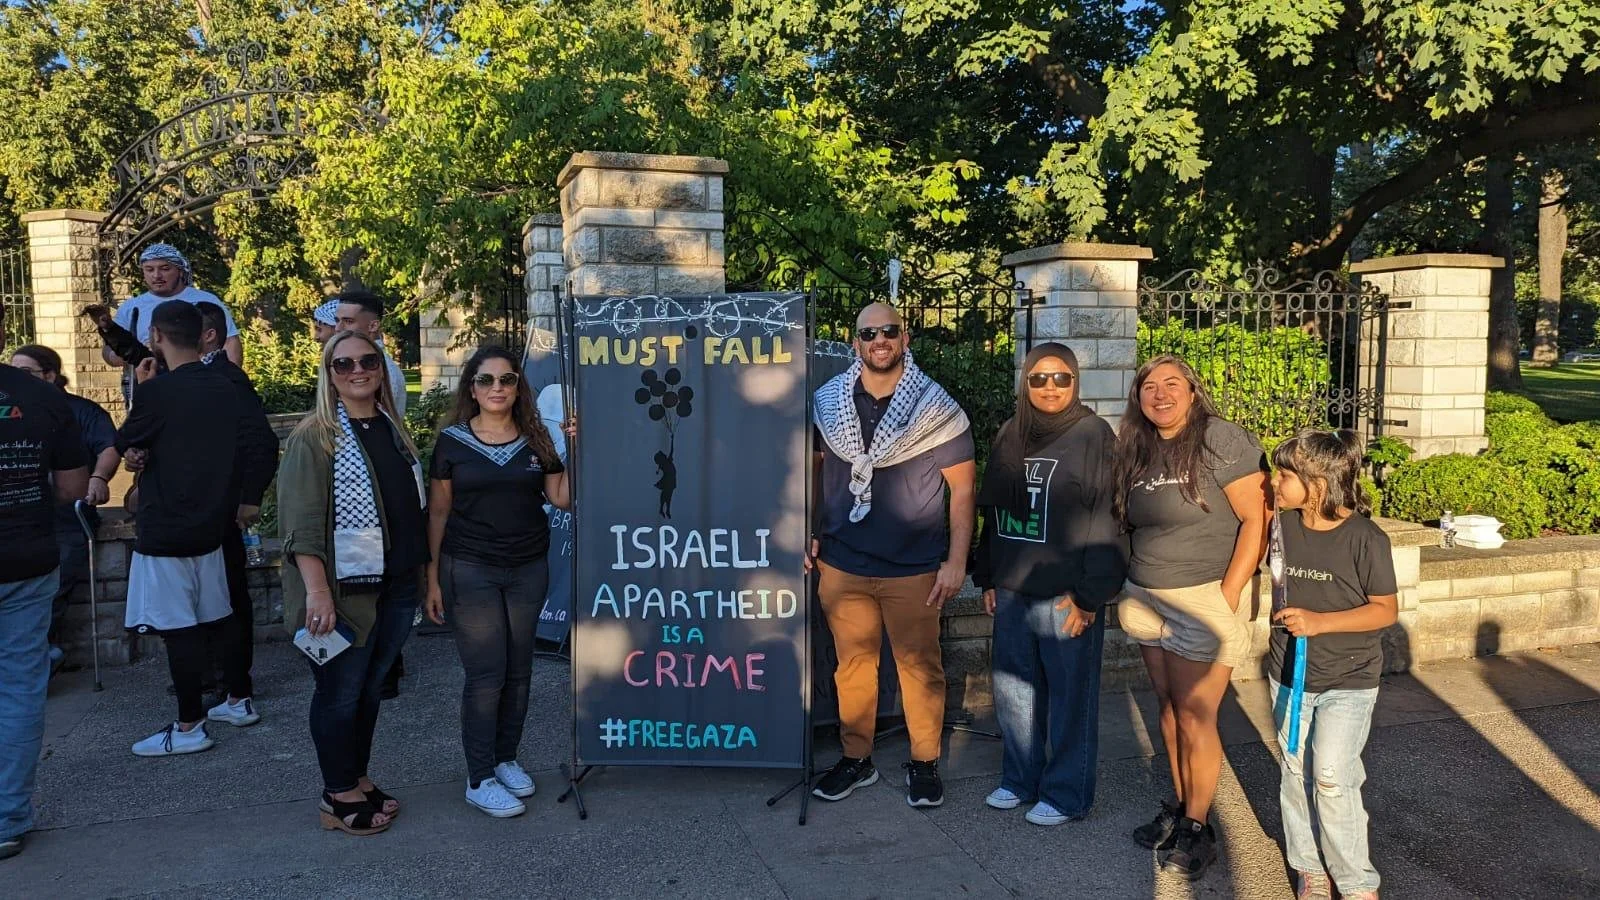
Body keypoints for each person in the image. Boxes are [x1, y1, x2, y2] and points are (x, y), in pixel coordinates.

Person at [808, 301, 976, 808]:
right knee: (851, 667)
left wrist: (956, 561)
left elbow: (964, 493)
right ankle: (856, 759)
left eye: (889, 331)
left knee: (920, 668)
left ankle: (924, 762)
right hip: (843, 562)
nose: (879, 340)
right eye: (869, 333)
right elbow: (813, 473)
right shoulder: (828, 402)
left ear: (906, 339)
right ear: (854, 342)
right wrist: (808, 530)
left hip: (914, 568)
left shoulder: (936, 409)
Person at [1112, 354, 1269, 879]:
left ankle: (1199, 829)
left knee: (1196, 713)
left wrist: (1227, 596)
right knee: (1169, 706)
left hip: (1201, 596)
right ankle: (1183, 808)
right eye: (1149, 387)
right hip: (1146, 595)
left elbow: (1256, 519)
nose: (1160, 394)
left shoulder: (1220, 439)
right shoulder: (1135, 446)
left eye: (1172, 384)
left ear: (1193, 392)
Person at [278, 330, 426, 836]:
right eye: (344, 364)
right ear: (329, 374)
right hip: (344, 592)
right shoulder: (315, 436)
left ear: (382, 367)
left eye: (368, 360)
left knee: (367, 690)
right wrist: (317, 592)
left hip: (397, 583)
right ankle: (336, 794)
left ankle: (356, 777)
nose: (358, 370)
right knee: (340, 692)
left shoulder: (390, 426)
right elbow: (298, 525)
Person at [972, 343, 1126, 826]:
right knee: (1015, 692)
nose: (1050, 387)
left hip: (1067, 593)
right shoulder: (1010, 433)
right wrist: (988, 575)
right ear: (1026, 384)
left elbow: (1109, 519)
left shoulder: (1094, 436)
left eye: (1061, 378)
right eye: (1039, 378)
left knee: (1069, 696)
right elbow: (993, 512)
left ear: (1075, 382)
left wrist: (1089, 596)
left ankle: (1066, 794)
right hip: (1015, 586)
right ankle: (1020, 779)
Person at [423, 347, 572, 818]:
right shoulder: (451, 442)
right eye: (486, 380)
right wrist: (432, 578)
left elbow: (562, 499)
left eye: (506, 380)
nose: (497, 388)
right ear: (472, 388)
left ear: (517, 387)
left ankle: (506, 758)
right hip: (470, 567)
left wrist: (577, 449)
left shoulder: (538, 439)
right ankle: (479, 776)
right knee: (486, 674)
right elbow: (439, 512)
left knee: (519, 670)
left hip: (528, 566)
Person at [115, 301, 247, 757]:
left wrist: (143, 390)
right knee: (217, 615)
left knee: (179, 629)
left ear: (156, 336)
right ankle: (235, 697)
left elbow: (127, 437)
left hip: (167, 524)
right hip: (211, 521)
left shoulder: (160, 391)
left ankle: (189, 724)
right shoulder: (226, 385)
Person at [1268, 430, 1396, 900]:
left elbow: (1385, 609)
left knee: (1333, 776)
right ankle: (1309, 867)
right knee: (1293, 771)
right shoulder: (1280, 526)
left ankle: (1357, 882)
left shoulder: (1365, 537)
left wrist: (1321, 622)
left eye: (1285, 475)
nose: (1275, 482)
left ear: (1318, 482)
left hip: (1349, 678)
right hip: (1290, 674)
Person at [0, 361, 88, 861]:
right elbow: (73, 488)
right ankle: (6, 819)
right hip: (26, 560)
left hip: (27, 563)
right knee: (18, 689)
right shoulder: (41, 397)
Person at [8, 346, 121, 671]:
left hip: (66, 518)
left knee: (52, 590)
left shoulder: (78, 411)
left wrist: (98, 478)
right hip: (22, 517)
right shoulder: (12, 408)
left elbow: (109, 445)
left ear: (50, 376)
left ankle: (38, 658)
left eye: (25, 372)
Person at [196, 302, 280, 726]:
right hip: (200, 507)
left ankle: (234, 687)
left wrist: (250, 497)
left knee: (227, 596)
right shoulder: (179, 378)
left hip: (221, 508)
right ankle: (219, 681)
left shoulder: (225, 377)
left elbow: (260, 443)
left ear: (208, 335)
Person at [102, 244, 241, 402]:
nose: (157, 275)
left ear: (180, 270)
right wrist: (126, 355)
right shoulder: (130, 308)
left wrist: (231, 383)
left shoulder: (206, 300)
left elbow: (230, 341)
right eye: (149, 269)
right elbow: (108, 351)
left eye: (165, 268)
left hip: (202, 386)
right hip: (150, 389)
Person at [333, 291, 407, 416]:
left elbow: (372, 424)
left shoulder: (380, 369)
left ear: (373, 326)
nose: (338, 328)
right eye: (337, 320)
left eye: (348, 321)